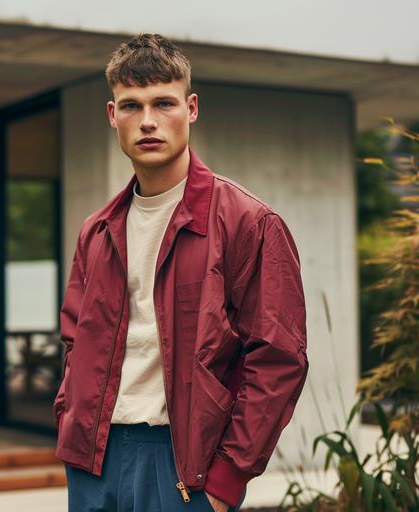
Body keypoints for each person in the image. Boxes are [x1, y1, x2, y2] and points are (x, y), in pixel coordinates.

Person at [53, 33, 309, 512]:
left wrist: (226, 480)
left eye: (163, 103)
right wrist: (71, 421)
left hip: (183, 469)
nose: (147, 121)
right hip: (93, 463)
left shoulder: (248, 223)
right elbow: (75, 340)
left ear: (191, 108)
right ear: (113, 116)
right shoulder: (97, 231)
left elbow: (278, 359)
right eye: (131, 106)